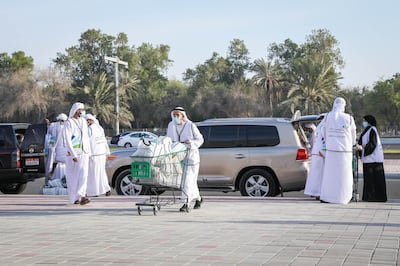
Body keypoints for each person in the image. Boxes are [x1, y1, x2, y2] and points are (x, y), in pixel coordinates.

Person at [319, 97, 356, 204]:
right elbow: (353, 134)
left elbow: (323, 131)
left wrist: (329, 142)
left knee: (330, 175)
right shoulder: (349, 118)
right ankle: (343, 197)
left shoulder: (328, 116)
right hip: (345, 152)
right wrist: (352, 144)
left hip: (331, 150)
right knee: (344, 176)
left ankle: (328, 197)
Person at [166, 106, 204, 212]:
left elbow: (200, 139)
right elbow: (169, 140)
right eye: (174, 115)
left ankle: (185, 203)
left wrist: (191, 143)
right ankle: (198, 199)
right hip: (178, 156)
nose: (175, 117)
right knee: (189, 181)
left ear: (183, 115)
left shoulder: (190, 125)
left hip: (192, 157)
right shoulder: (171, 125)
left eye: (177, 115)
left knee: (186, 180)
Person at [63, 102, 91, 205]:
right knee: (73, 176)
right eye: (80, 110)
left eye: (83, 110)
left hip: (84, 152)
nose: (82, 112)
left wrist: (89, 152)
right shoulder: (69, 123)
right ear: (75, 110)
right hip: (74, 154)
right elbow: (67, 139)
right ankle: (74, 198)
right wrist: (73, 154)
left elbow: (86, 138)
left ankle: (82, 196)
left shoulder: (84, 122)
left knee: (84, 174)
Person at [357, 115, 387, 202]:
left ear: (368, 121)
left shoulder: (372, 130)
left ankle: (377, 197)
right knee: (369, 180)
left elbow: (373, 143)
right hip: (369, 159)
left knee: (375, 180)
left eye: (364, 121)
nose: (363, 122)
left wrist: (363, 148)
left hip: (373, 159)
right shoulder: (368, 130)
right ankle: (369, 197)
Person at [85, 114, 112, 197]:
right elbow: (104, 141)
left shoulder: (89, 130)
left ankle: (94, 192)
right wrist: (107, 152)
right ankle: (106, 189)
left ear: (89, 120)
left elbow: (87, 143)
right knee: (101, 173)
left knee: (93, 174)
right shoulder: (100, 128)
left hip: (94, 155)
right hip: (101, 154)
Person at [304, 117, 325, 200]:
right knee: (315, 176)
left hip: (319, 156)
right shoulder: (316, 132)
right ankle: (315, 192)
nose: (306, 131)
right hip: (316, 155)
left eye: (307, 129)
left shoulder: (317, 132)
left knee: (318, 176)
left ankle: (317, 193)